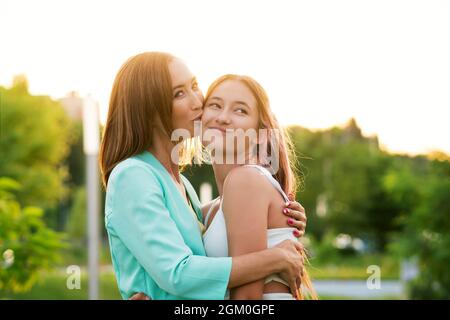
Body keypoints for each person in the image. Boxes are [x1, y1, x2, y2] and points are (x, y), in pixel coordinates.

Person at [100, 52, 307, 300]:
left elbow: (225, 215)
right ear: (149, 111)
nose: (198, 101)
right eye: (179, 93)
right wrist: (275, 257)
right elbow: (178, 273)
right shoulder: (133, 175)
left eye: (195, 86)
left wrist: (278, 215)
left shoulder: (183, 184)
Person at [201, 74, 317, 300]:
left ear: (260, 135)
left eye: (240, 110)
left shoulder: (245, 181)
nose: (223, 117)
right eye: (215, 105)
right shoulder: (211, 209)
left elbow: (247, 300)